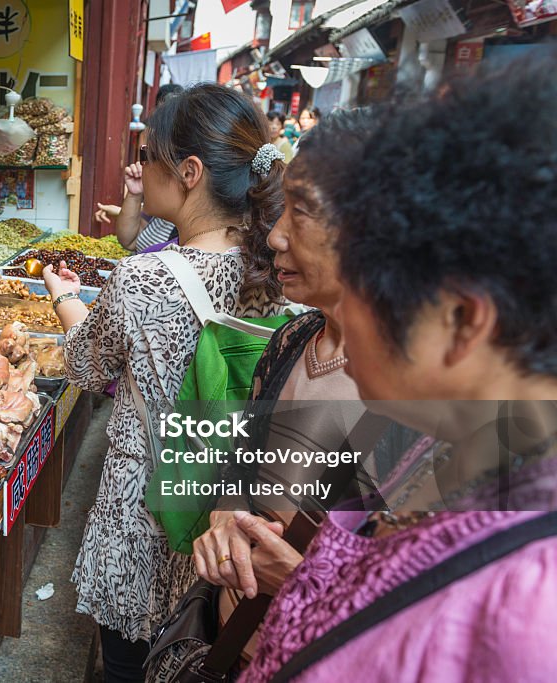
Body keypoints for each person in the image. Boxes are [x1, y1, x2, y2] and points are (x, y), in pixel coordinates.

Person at [234, 51, 557, 682]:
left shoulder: (532, 617)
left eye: (360, 285)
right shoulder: (458, 445)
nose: (343, 317)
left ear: (462, 321)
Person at [42, 83, 286, 682]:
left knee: (127, 668)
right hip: (226, 528)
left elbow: (86, 366)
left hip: (142, 522)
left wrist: (65, 300)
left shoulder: (144, 277)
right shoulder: (281, 271)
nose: (141, 167)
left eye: (150, 155)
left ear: (190, 172)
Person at [188, 110, 389, 666]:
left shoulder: (423, 400)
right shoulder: (293, 337)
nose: (274, 236)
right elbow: (242, 460)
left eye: (301, 215)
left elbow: (434, 614)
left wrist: (308, 579)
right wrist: (225, 519)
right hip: (232, 643)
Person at [94, 83, 185, 252]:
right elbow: (129, 241)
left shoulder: (190, 233)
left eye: (149, 156)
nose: (143, 165)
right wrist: (134, 196)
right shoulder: (163, 210)